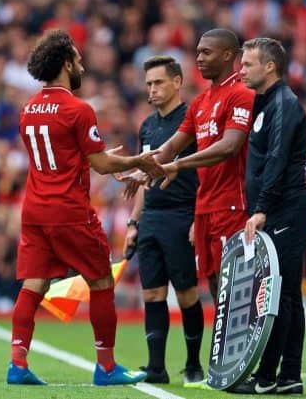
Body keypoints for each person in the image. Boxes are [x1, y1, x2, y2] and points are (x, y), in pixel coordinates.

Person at [7, 29, 163, 386]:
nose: (81, 64)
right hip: (69, 210)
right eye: (76, 59)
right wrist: (140, 160)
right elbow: (101, 166)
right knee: (101, 281)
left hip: (34, 209)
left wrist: (103, 158)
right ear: (65, 63)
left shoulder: (28, 109)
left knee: (34, 285)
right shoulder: (79, 109)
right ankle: (106, 368)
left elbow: (61, 155)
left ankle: (17, 363)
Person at [126, 28, 255, 303]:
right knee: (214, 284)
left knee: (232, 286)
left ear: (228, 55)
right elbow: (171, 146)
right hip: (205, 205)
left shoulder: (241, 93)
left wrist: (177, 165)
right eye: (197, 52)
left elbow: (230, 146)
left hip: (232, 203)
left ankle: (239, 345)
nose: (199, 58)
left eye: (206, 52)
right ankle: (222, 346)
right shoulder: (200, 102)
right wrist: (141, 168)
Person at [230, 37, 306, 395]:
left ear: (269, 67)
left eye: (247, 64)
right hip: (279, 208)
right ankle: (289, 375)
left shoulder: (284, 103)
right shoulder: (264, 104)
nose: (241, 69)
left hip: (287, 208)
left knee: (278, 295)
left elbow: (277, 160)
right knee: (288, 293)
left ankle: (267, 377)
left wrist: (262, 207)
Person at [123, 56, 204, 385]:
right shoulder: (147, 125)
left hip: (183, 214)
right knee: (152, 295)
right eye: (148, 84)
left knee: (186, 294)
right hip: (152, 218)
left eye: (158, 82)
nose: (152, 89)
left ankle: (194, 365)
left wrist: (199, 218)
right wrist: (133, 223)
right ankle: (156, 368)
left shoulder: (192, 120)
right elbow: (144, 177)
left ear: (177, 82)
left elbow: (209, 172)